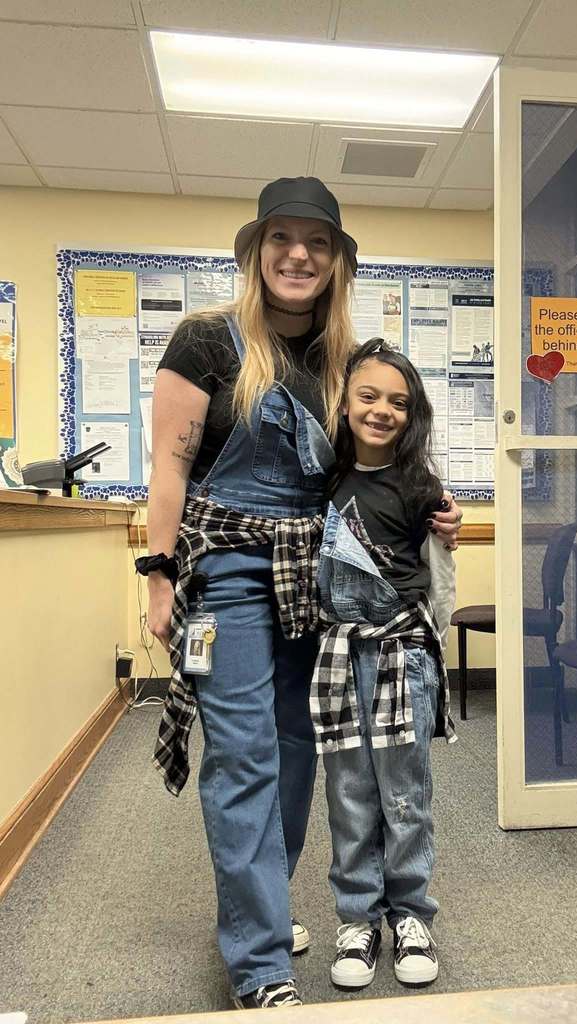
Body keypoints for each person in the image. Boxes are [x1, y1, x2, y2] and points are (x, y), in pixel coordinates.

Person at [137, 177, 463, 1009]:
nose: (298, 254)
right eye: (281, 238)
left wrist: (435, 512)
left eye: (317, 243)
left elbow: (370, 463)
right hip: (229, 568)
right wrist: (159, 574)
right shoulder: (206, 341)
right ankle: (258, 965)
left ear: (338, 262)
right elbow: (170, 466)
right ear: (255, 252)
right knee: (243, 757)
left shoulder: (342, 363)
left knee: (295, 750)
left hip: (316, 572)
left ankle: (267, 908)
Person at [311, 338, 457, 992]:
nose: (382, 410)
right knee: (349, 794)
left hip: (404, 654)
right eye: (368, 396)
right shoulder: (318, 480)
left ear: (412, 412)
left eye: (398, 401)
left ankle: (411, 914)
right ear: (343, 404)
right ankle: (357, 918)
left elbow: (440, 574)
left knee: (406, 792)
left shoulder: (422, 487)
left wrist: (437, 647)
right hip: (339, 657)